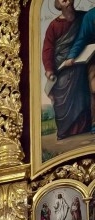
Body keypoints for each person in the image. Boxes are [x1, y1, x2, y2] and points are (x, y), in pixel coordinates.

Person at [44, 0, 91, 139]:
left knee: (83, 91)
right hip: (61, 67)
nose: (67, 1)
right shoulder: (54, 25)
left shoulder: (83, 17)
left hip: (81, 63)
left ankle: (85, 127)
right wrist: (49, 69)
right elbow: (48, 48)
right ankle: (65, 131)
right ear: (58, 4)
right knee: (60, 94)